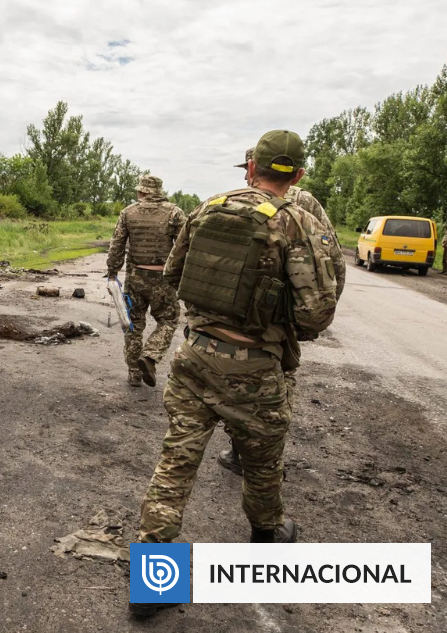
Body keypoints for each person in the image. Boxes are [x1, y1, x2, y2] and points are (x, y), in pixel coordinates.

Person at [131, 130, 341, 618]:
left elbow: (174, 275)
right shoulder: (298, 223)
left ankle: (150, 588)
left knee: (176, 462)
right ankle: (266, 539)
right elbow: (315, 316)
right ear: (299, 175)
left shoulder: (207, 209)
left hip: (195, 358)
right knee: (262, 463)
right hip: (256, 370)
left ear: (251, 168)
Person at [216, 150, 347, 475]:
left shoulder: (239, 202)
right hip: (282, 315)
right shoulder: (301, 202)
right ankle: (254, 453)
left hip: (253, 313)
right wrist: (316, 315)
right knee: (273, 379)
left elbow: (331, 255)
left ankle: (248, 454)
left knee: (246, 380)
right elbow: (334, 259)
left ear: (253, 168)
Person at [105, 175, 186, 387]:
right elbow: (185, 246)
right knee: (168, 320)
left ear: (142, 192)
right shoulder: (174, 213)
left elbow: (116, 246)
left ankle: (134, 373)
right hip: (164, 279)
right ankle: (150, 355)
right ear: (158, 192)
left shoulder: (128, 213)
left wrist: (112, 273)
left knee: (133, 325)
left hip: (135, 277)